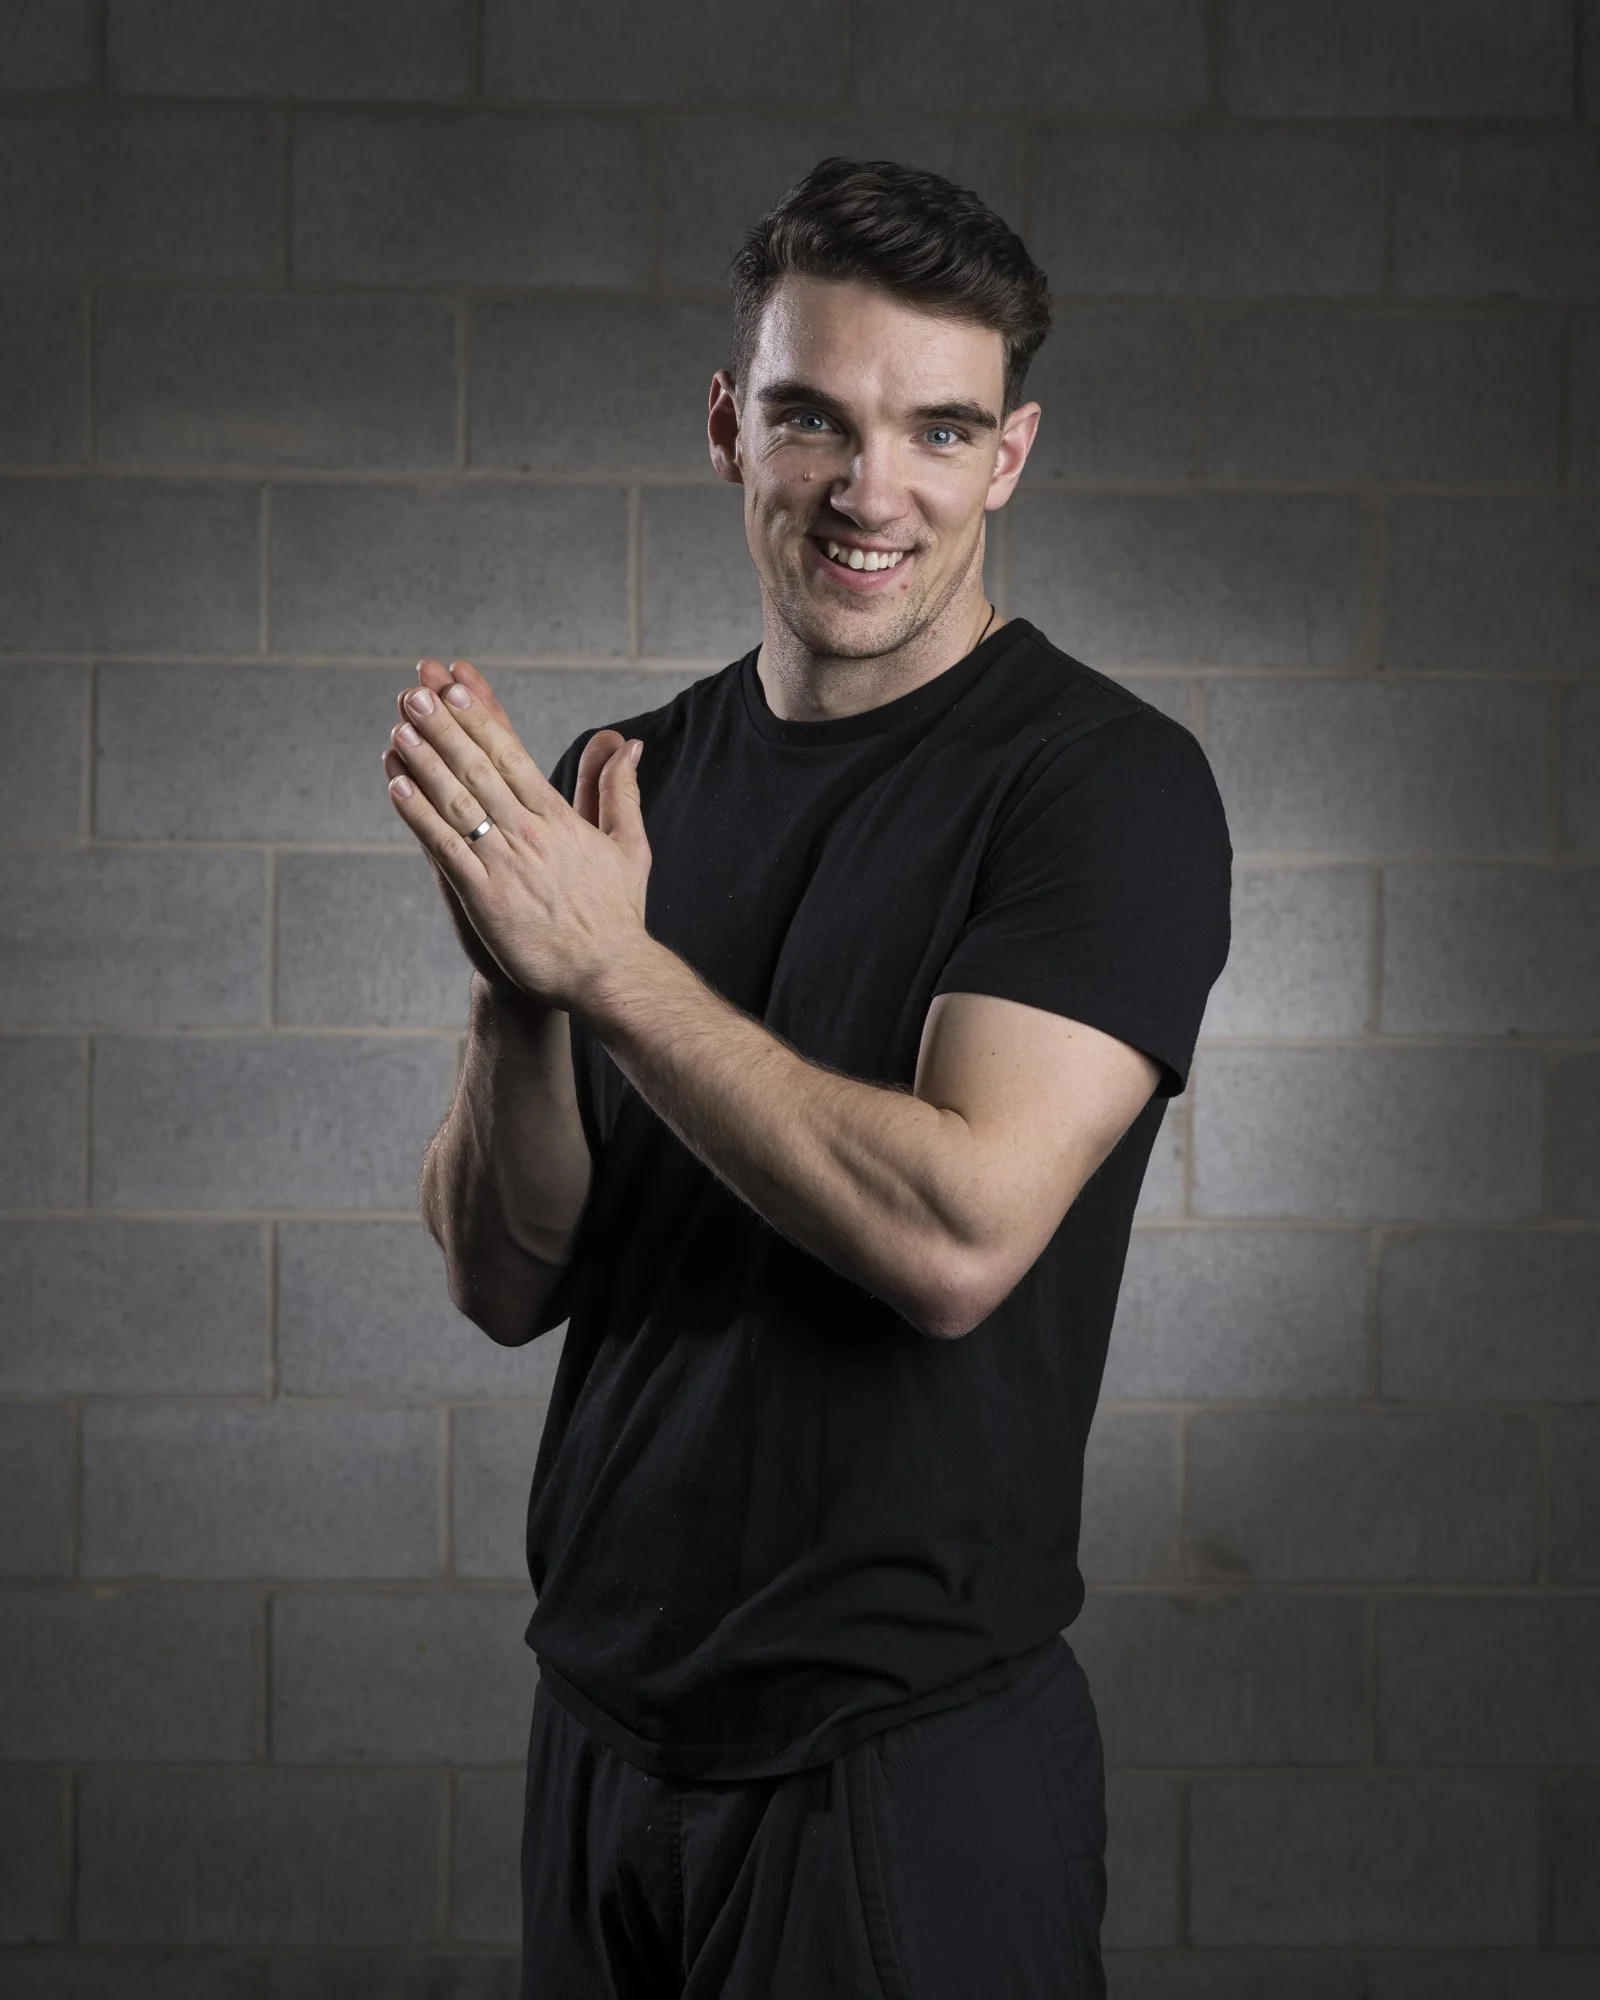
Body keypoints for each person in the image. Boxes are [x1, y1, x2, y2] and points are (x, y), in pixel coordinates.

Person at [387, 156, 1232, 1999]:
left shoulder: (1102, 788)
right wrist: (522, 994)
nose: (872, 491)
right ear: (726, 428)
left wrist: (609, 966)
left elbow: (955, 1236)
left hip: (899, 1758)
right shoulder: (644, 775)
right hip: (604, 1726)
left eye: (937, 430)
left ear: (1009, 455)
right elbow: (505, 1278)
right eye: (811, 420)